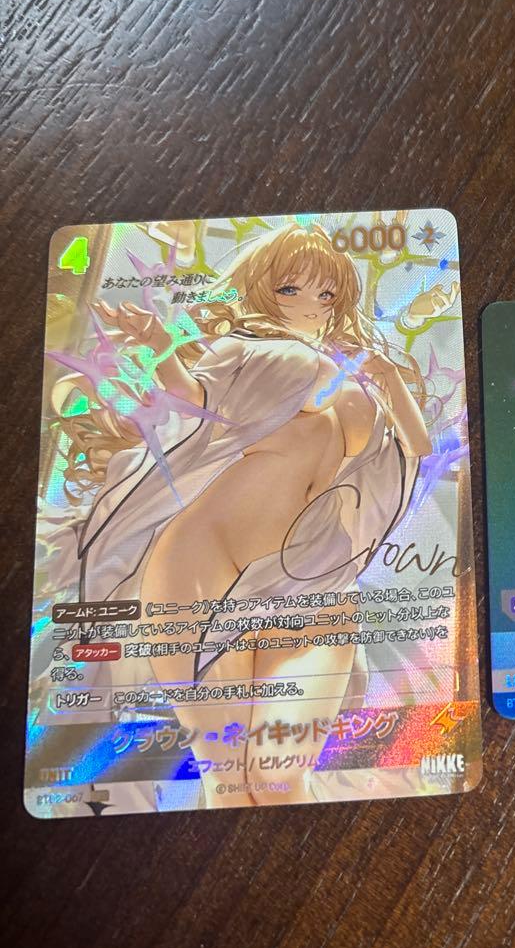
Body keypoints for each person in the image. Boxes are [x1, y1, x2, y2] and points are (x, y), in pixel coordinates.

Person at [53, 224, 437, 807]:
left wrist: (385, 377)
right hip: (205, 567)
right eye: (290, 289)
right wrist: (160, 345)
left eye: (326, 293)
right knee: (229, 780)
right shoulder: (244, 349)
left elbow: (418, 448)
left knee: (282, 781)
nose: (310, 306)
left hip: (314, 580)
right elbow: (196, 400)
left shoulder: (361, 378)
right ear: (261, 290)